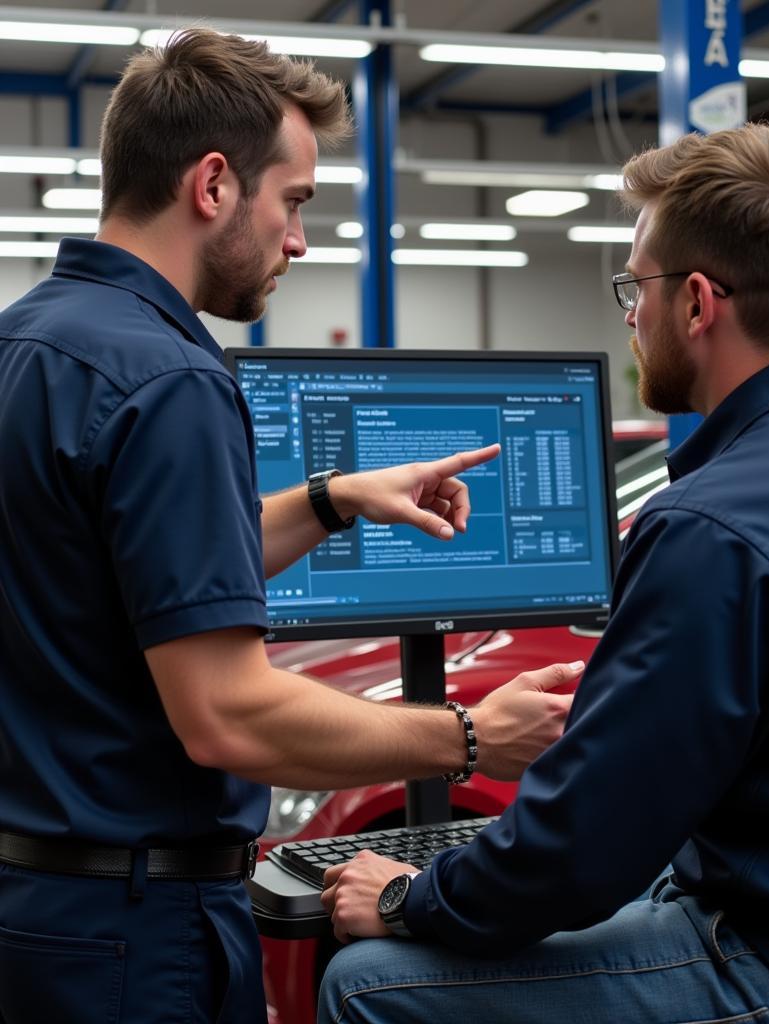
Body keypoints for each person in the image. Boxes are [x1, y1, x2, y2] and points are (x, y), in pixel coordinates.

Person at [319, 123, 769, 1024]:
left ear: (697, 303)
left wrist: (403, 898)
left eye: (636, 287)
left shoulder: (712, 526)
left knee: (368, 984)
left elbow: (582, 847)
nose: (630, 314)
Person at [0, 30, 580, 1024]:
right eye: (297, 201)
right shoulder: (172, 381)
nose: (301, 241)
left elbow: (122, 567)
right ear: (214, 185)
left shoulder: (31, 341)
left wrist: (332, 499)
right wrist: (471, 735)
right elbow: (228, 713)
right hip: (136, 933)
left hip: (34, 907)